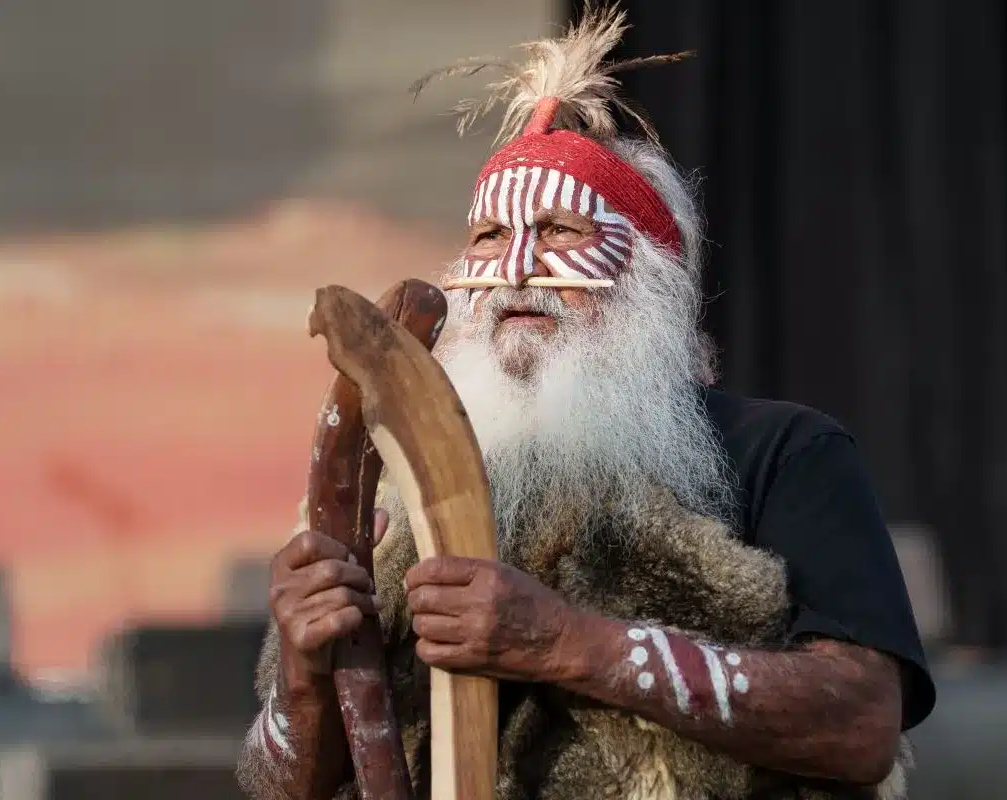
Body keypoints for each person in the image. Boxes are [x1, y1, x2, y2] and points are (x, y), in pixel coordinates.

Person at [237, 5, 935, 799]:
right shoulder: (389, 488)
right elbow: (281, 783)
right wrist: (302, 671)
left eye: (561, 229)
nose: (518, 269)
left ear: (646, 278)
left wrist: (567, 644)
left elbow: (861, 725)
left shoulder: (781, 453)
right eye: (488, 240)